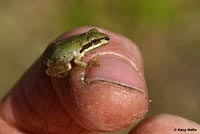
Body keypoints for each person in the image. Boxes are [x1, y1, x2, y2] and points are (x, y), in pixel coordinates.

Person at [0, 27, 199, 134]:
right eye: (95, 42)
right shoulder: (80, 54)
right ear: (89, 44)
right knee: (69, 67)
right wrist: (88, 65)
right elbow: (78, 61)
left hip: (61, 50)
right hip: (60, 61)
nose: (100, 42)